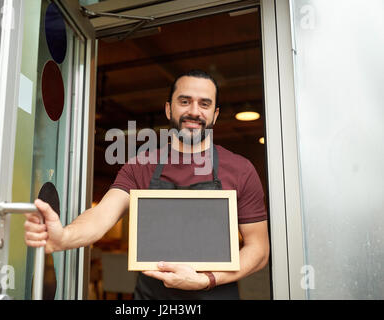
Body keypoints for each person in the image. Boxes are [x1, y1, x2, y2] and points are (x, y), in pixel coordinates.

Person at [24, 69, 269, 300]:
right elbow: (101, 215)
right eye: (184, 101)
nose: (194, 111)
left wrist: (206, 279)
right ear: (168, 109)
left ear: (215, 114)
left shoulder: (240, 169)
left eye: (204, 104)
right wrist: (64, 237)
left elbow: (258, 249)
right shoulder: (141, 166)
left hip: (215, 291)